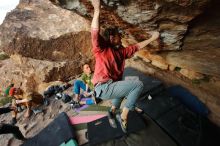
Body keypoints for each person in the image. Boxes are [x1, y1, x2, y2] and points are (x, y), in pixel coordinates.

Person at [90, 0, 160, 132]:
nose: (121, 38)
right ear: (111, 38)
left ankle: (112, 110)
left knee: (123, 87)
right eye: (118, 37)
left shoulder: (121, 52)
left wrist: (152, 38)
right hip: (103, 88)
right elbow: (94, 33)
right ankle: (124, 115)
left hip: (108, 87)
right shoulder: (101, 49)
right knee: (138, 85)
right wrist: (97, 10)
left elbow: (136, 47)